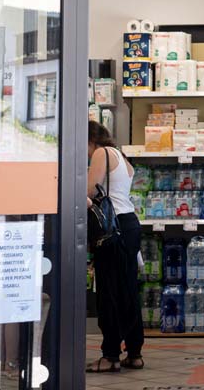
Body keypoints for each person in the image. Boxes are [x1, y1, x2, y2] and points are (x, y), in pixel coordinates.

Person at [86, 121, 145, 373]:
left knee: (109, 292)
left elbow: (89, 191)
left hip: (112, 227)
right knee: (127, 291)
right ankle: (134, 352)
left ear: (90, 140)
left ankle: (110, 355)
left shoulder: (102, 153)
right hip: (128, 224)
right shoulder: (121, 156)